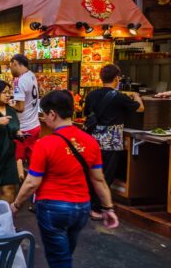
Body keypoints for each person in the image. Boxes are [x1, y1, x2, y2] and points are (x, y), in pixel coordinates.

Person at [12, 90, 119, 268]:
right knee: (65, 253)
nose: (44, 119)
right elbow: (99, 180)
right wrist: (108, 208)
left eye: (45, 115)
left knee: (59, 260)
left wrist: (15, 205)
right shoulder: (90, 142)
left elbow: (32, 182)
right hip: (81, 208)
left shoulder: (45, 144)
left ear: (53, 114)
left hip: (53, 208)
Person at [84, 64, 144, 220]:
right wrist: (136, 96)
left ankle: (89, 204)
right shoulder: (120, 97)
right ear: (117, 78)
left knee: (92, 173)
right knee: (106, 176)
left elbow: (86, 113)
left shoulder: (92, 95)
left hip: (92, 141)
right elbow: (140, 109)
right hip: (111, 142)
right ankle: (96, 208)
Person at [9, 54, 40, 181]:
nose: (10, 70)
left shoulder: (19, 81)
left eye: (10, 66)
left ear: (15, 63)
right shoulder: (32, 76)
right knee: (32, 159)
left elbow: (20, 107)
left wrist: (9, 104)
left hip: (23, 128)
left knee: (17, 158)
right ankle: (36, 182)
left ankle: (21, 185)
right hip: (35, 125)